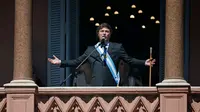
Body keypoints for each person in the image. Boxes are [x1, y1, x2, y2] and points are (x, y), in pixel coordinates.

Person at [48, 23, 155, 86]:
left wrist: (144, 62)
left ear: (110, 34)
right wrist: (61, 62)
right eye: (102, 31)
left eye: (107, 31)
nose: (104, 33)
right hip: (96, 84)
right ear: (98, 34)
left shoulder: (117, 47)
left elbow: (129, 60)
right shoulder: (91, 50)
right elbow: (77, 61)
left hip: (112, 83)